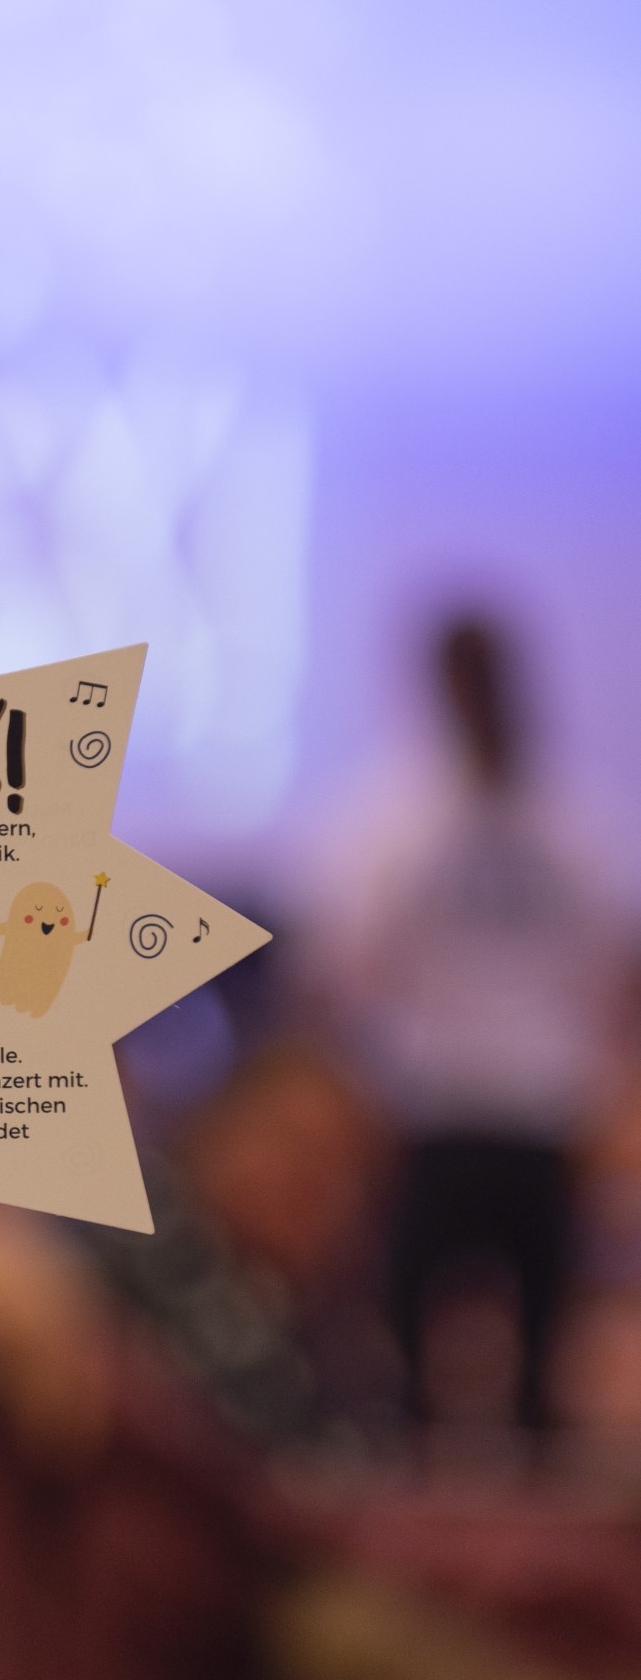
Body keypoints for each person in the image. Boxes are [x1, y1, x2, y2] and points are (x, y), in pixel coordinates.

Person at [311, 610, 632, 1432]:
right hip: (431, 1107)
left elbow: (611, 976)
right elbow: (347, 966)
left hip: (541, 1109)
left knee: (544, 1341)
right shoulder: (398, 818)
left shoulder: (569, 819)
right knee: (408, 1326)